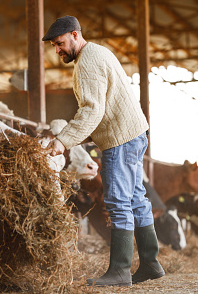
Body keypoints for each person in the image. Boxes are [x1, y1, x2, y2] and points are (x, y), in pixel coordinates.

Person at [43, 15, 164, 287]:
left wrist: (63, 141)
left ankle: (120, 271)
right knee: (136, 197)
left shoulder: (87, 61)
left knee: (119, 201)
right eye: (53, 46)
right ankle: (151, 263)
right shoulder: (99, 52)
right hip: (133, 133)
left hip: (119, 139)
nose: (57, 50)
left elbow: (91, 110)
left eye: (60, 43)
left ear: (75, 35)